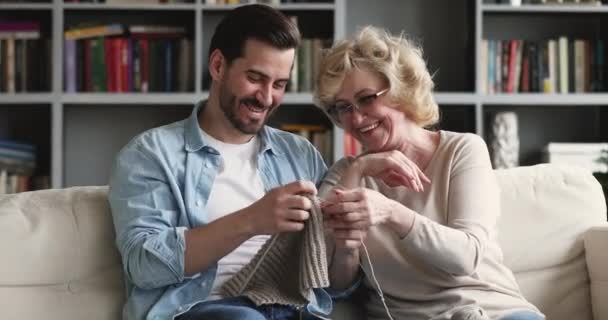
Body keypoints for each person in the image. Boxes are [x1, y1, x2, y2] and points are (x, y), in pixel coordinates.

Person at [109, 4, 341, 320]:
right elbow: (144, 265)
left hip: (292, 309)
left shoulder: (300, 154)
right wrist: (251, 220)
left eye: (279, 84)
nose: (266, 97)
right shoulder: (151, 154)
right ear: (218, 66)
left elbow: (333, 280)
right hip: (202, 309)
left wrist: (349, 239)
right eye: (255, 78)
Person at [314, 26, 545, 320]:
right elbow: (330, 281)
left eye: (367, 98)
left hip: (492, 311)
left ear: (402, 90)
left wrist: (391, 212)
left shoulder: (462, 149)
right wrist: (358, 171)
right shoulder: (347, 173)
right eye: (342, 108)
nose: (356, 118)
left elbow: (466, 257)